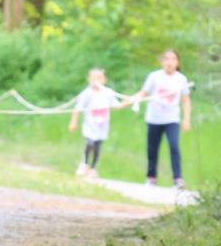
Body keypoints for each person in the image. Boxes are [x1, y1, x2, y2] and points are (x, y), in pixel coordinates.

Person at [131, 49, 191, 189]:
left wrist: (186, 119)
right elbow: (143, 93)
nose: (170, 62)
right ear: (162, 61)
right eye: (167, 59)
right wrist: (133, 99)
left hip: (172, 119)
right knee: (152, 148)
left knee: (174, 146)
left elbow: (186, 100)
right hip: (154, 119)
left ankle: (178, 179)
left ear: (177, 62)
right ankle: (151, 177)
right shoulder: (154, 77)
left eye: (173, 59)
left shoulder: (181, 79)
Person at [68, 68, 122, 179]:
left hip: (102, 126)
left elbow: (117, 106)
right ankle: (85, 163)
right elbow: (78, 108)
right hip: (90, 125)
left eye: (99, 77)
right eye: (93, 78)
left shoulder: (108, 93)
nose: (96, 80)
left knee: (97, 146)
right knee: (90, 143)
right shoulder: (86, 93)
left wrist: (131, 100)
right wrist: (73, 122)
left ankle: (93, 168)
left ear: (104, 79)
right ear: (89, 79)